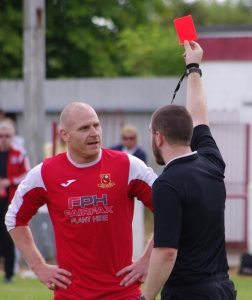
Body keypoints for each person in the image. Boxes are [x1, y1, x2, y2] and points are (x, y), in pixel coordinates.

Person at [5, 102, 157, 299]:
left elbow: (171, 211)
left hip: (122, 292)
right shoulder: (44, 173)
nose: (94, 133)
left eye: (96, 125)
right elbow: (14, 219)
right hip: (71, 294)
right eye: (84, 128)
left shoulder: (129, 166)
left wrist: (148, 259)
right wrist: (38, 266)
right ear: (65, 135)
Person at [141, 41, 237, 300]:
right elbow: (200, 116)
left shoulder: (167, 184)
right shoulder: (211, 161)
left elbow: (166, 251)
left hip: (188, 293)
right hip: (223, 289)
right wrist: (193, 68)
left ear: (158, 137)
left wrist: (146, 296)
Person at [0, 121, 30, 283]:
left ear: (13, 137)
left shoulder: (19, 153)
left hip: (10, 201)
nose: (3, 139)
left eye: (7, 136)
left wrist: (9, 181)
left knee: (8, 237)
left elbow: (27, 174)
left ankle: (9, 273)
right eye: (1, 136)